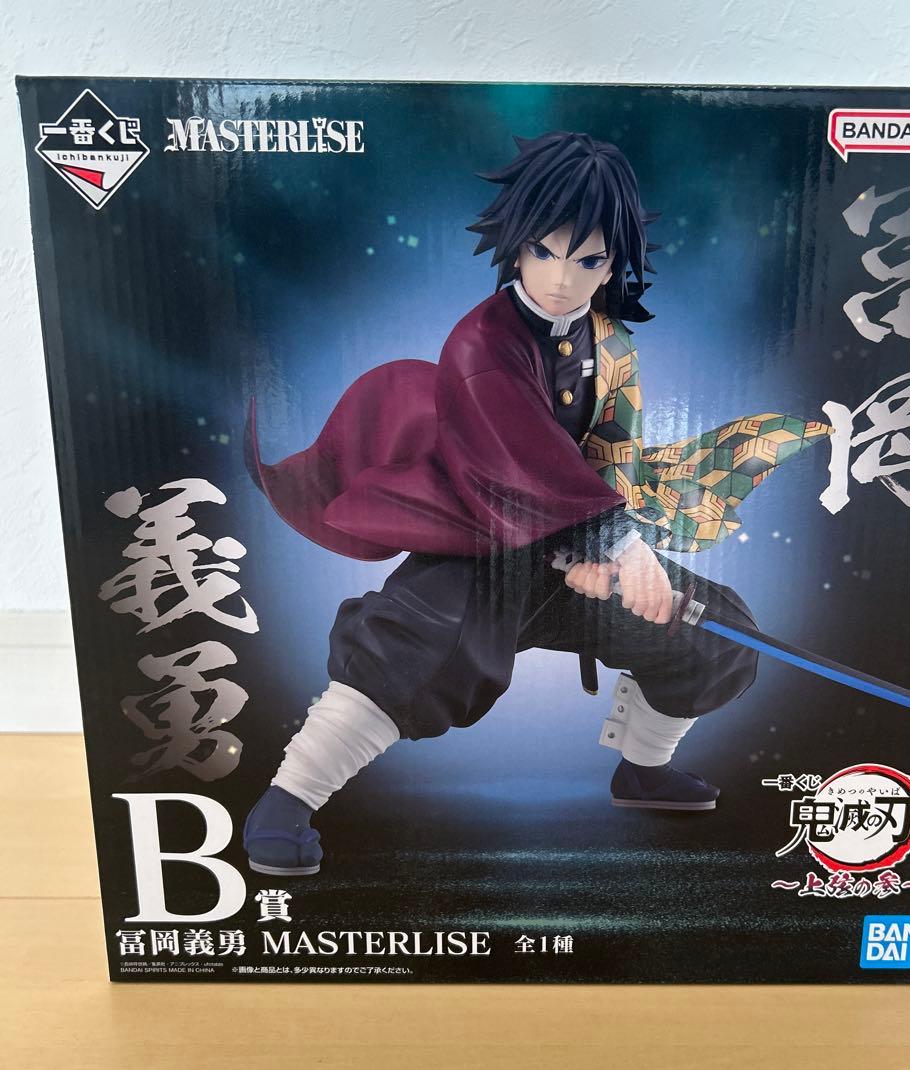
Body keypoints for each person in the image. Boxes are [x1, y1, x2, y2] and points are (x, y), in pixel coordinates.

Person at [242, 131, 808, 877]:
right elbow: (515, 454)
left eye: (589, 261)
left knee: (713, 628)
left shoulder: (608, 344)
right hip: (478, 548)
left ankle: (643, 770)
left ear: (615, 260)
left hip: (575, 553)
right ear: (516, 244)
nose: (562, 280)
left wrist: (603, 558)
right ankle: (284, 802)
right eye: (544, 252)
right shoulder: (481, 344)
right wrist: (611, 543)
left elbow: (612, 452)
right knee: (413, 646)